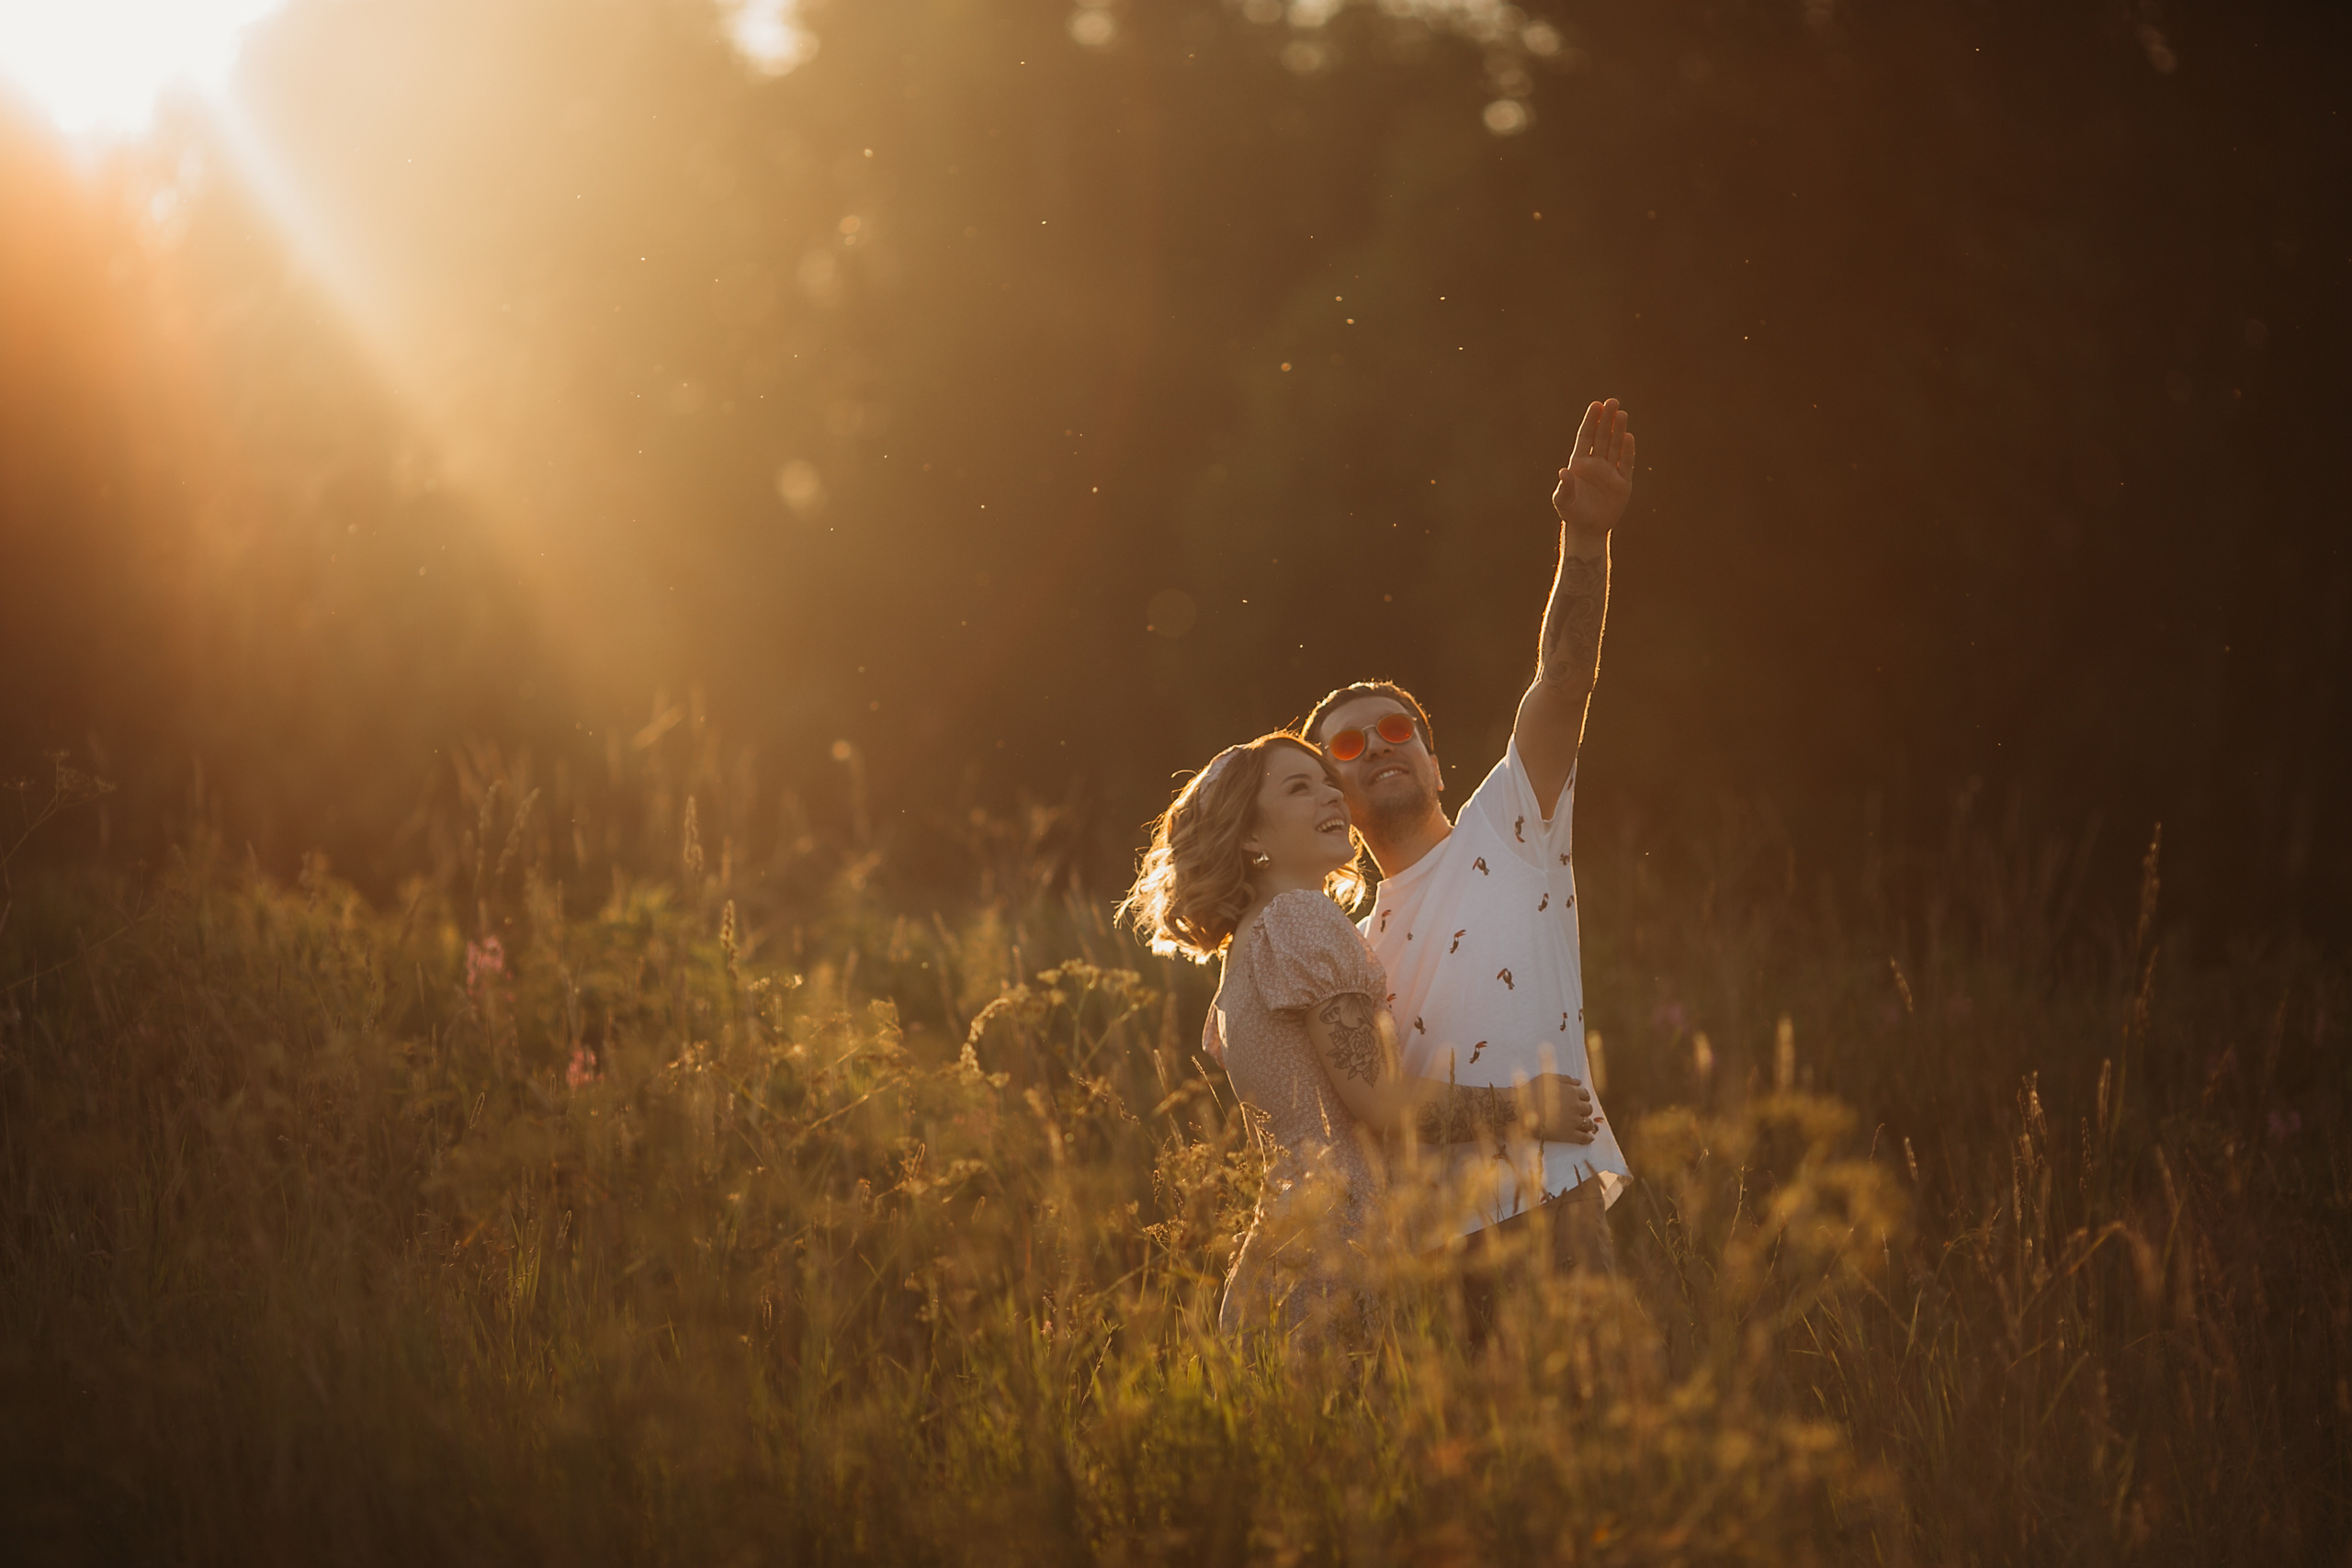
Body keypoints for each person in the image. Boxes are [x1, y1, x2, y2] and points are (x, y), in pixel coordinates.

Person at [1301, 397, 1639, 1287]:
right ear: (1332, 796)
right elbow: (1372, 1112)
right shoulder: (1349, 948)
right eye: (1345, 743)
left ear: (1435, 757)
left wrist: (1587, 544)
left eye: (1395, 728)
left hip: (1548, 1210)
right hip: (1426, 1258)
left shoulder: (1512, 824)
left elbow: (1563, 680)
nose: (1375, 745)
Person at [1119, 732, 1597, 1343]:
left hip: (1282, 1256)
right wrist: (1528, 1108)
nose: (1332, 796)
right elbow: (1380, 1100)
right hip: (1340, 1253)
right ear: (1251, 836)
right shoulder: (1301, 918)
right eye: (1299, 787)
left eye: (1328, 783)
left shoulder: (1245, 950)